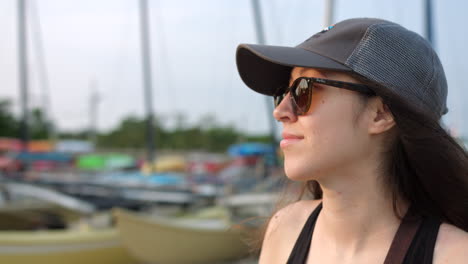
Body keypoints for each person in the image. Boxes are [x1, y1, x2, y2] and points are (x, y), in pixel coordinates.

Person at [235, 18, 468, 264]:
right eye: (284, 91)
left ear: (381, 114)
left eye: (305, 88)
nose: (281, 111)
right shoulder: (285, 230)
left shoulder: (453, 256)